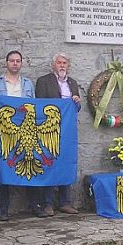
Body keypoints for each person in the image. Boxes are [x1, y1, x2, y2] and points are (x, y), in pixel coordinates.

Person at [0, 50, 46, 221]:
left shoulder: (28, 84)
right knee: (4, 168)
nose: (15, 63)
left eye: (18, 61)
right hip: (6, 133)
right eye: (12, 60)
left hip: (27, 131)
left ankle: (35, 206)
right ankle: (3, 209)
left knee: (30, 164)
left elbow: (34, 106)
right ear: (6, 63)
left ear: (21, 63)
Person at [35, 53, 81, 215]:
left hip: (67, 130)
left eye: (65, 63)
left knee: (66, 162)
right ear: (53, 65)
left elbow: (77, 109)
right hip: (49, 129)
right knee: (49, 163)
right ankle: (47, 203)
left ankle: (65, 202)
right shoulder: (43, 81)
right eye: (59, 63)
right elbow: (39, 104)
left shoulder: (72, 83)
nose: (62, 65)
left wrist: (76, 100)